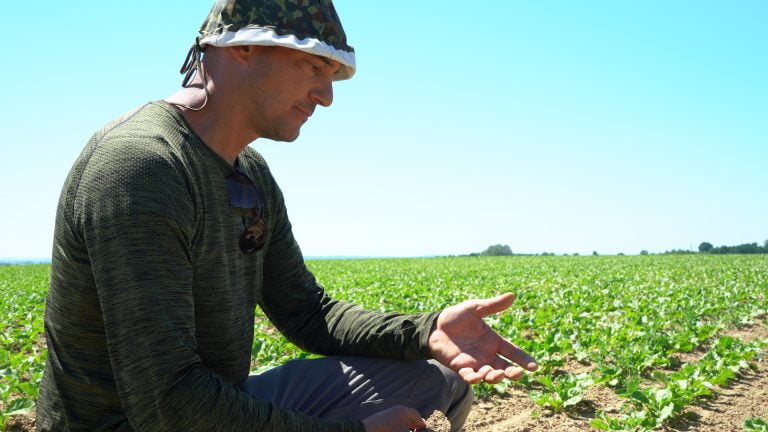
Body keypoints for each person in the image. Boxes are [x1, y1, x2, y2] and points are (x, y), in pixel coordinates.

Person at [37, 1, 538, 431]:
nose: (327, 95)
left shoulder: (248, 171)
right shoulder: (141, 167)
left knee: (436, 381)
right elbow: (166, 404)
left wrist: (424, 332)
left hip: (195, 409)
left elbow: (307, 312)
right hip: (140, 423)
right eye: (314, 67)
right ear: (243, 47)